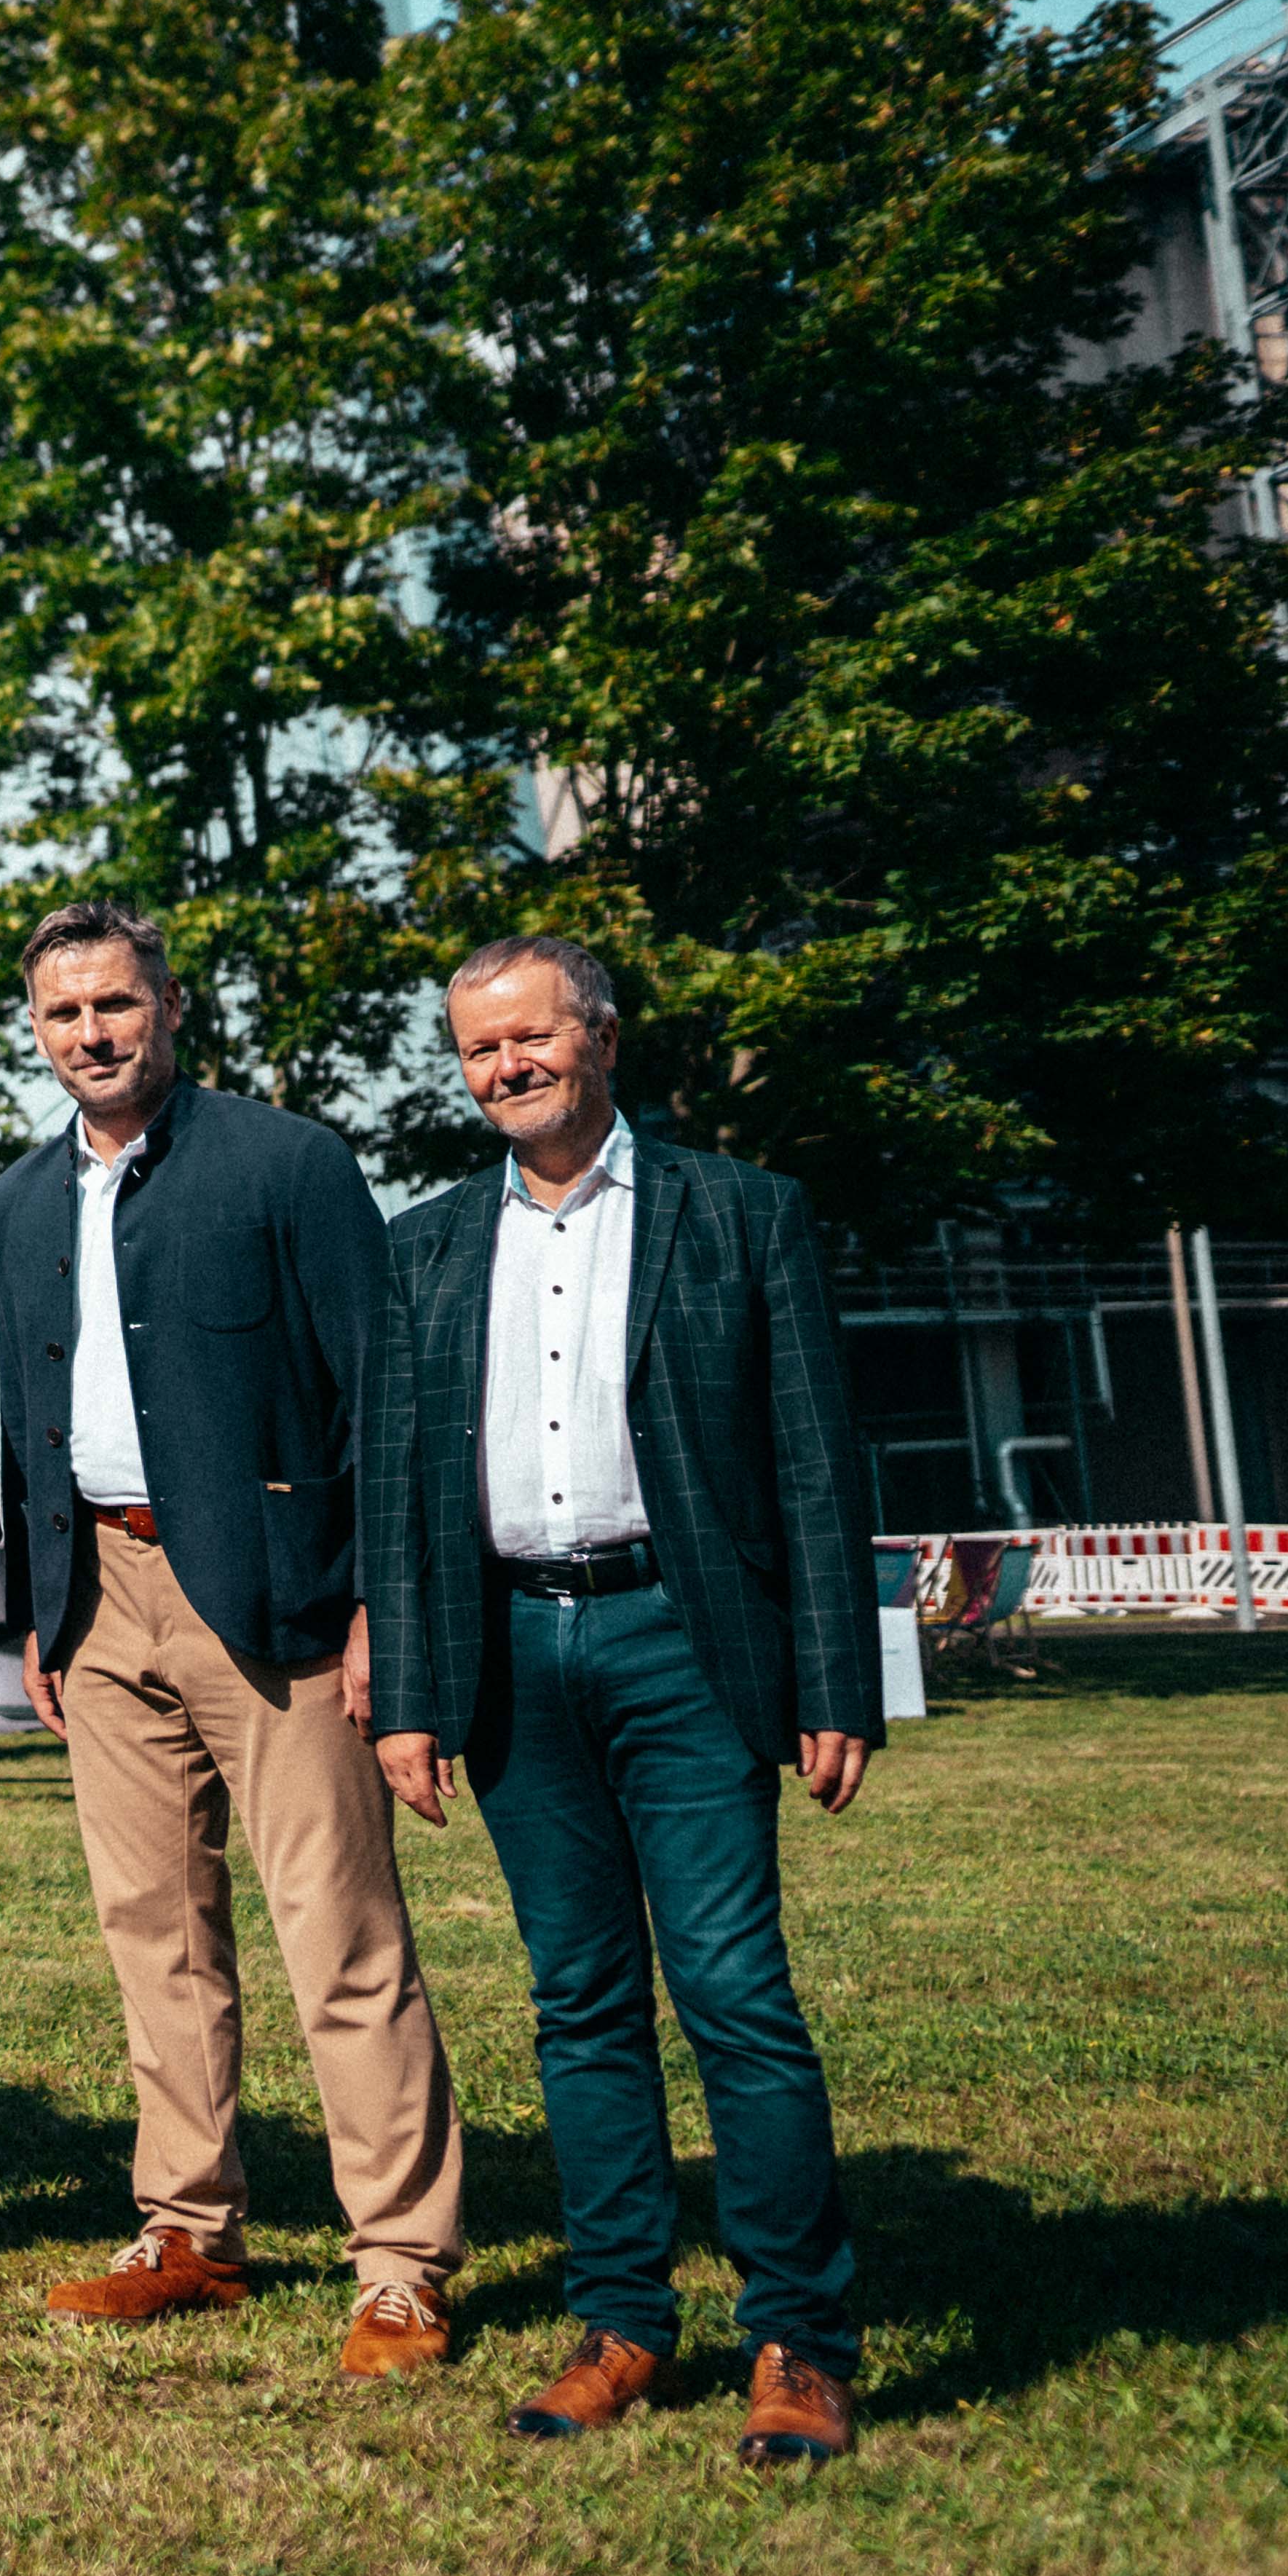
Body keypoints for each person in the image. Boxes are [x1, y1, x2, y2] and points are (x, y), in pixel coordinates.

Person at [368, 935, 884, 2465]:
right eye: (477, 1050)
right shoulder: (429, 1243)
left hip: (686, 1640)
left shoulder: (739, 1212)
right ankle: (622, 2324)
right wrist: (409, 1692)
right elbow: (402, 1487)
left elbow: (812, 1458)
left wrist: (833, 1675)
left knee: (734, 1991)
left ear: (601, 1034)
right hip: (515, 1654)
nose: (504, 1066)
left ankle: (797, 2335)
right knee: (580, 2003)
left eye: (529, 1036)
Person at [0, 904, 464, 2375]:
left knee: (340, 1934)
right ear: (39, 1030)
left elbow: (380, 1393)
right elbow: (31, 1411)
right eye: (64, 1014)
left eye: (116, 1004)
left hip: (278, 1599)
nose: (93, 1034)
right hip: (99, 1598)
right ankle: (190, 2226)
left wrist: (385, 1601)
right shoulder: (17, 1197)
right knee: (154, 1933)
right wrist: (42, 1614)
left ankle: (401, 2262)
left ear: (170, 1007)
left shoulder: (290, 1164)